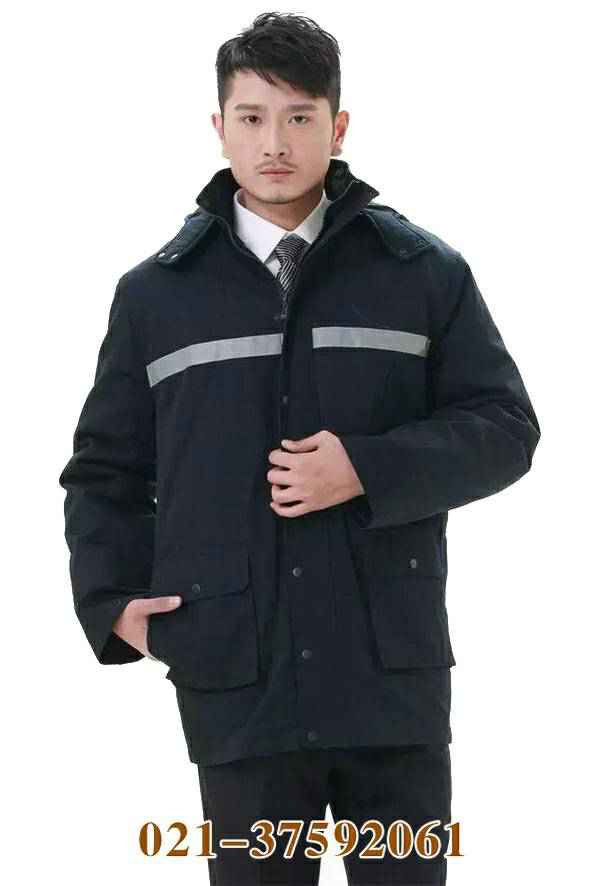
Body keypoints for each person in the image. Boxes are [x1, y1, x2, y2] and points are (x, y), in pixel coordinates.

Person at [58, 11, 541, 885]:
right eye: (251, 117)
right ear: (219, 127)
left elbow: (506, 428)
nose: (274, 142)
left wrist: (367, 468)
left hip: (388, 686)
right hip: (236, 683)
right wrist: (111, 601)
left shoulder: (422, 275)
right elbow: (105, 472)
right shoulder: (156, 296)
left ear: (338, 126)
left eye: (299, 117)